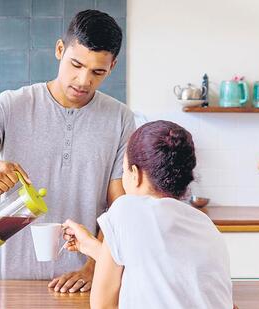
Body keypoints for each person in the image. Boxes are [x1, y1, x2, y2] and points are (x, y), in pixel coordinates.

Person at [0, 9, 135, 293]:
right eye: (76, 64)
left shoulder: (120, 119)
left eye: (97, 72)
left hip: (83, 284)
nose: (83, 80)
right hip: (12, 281)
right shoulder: (12, 105)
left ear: (113, 66)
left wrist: (94, 267)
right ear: (59, 49)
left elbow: (118, 205)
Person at [62, 120, 233, 308]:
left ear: (135, 174)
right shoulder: (204, 223)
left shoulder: (126, 209)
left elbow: (103, 306)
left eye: (124, 169)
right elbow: (151, 267)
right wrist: (91, 246)